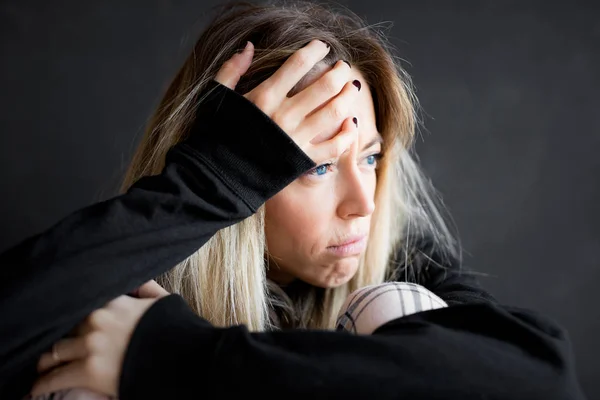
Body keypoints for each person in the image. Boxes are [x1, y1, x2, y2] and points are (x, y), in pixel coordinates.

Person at [0, 1, 585, 399]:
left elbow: (544, 384)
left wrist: (172, 357)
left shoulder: (402, 262)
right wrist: (210, 183)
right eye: (318, 166)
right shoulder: (126, 288)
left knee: (399, 310)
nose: (364, 202)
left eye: (372, 157)